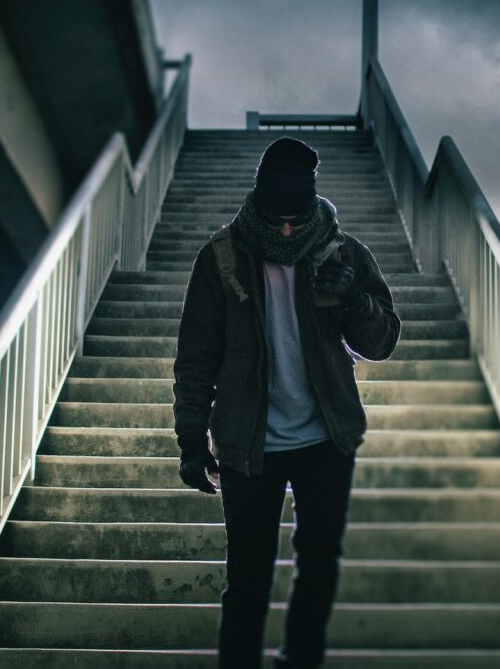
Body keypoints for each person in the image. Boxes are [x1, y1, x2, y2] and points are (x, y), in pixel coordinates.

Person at [172, 136, 401, 669]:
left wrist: (353, 298)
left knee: (319, 568)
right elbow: (196, 358)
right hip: (249, 446)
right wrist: (190, 439)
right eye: (276, 220)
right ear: (258, 202)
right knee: (248, 580)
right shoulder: (222, 258)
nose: (286, 232)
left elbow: (382, 342)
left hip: (326, 439)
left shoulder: (343, 253)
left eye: (295, 220)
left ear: (311, 204)